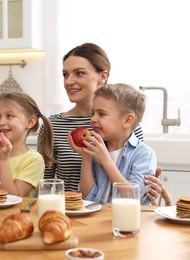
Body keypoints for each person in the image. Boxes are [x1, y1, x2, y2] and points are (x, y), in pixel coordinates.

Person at [38, 43, 162, 202]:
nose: (69, 81)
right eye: (65, 74)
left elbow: (135, 177)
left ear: (103, 76)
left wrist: (150, 189)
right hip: (70, 213)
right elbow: (45, 183)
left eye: (79, 73)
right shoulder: (52, 125)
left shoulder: (122, 126)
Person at [68, 83, 157, 205]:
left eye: (101, 114)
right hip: (98, 219)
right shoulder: (96, 150)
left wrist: (106, 161)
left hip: (128, 221)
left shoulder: (143, 154)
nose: (93, 119)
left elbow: (135, 196)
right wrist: (86, 156)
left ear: (127, 120)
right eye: (92, 113)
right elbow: (88, 196)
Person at [0, 92, 55, 197]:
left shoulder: (33, 160)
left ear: (30, 122)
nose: (1, 122)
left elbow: (14, 198)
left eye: (9, 116)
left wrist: (3, 160)